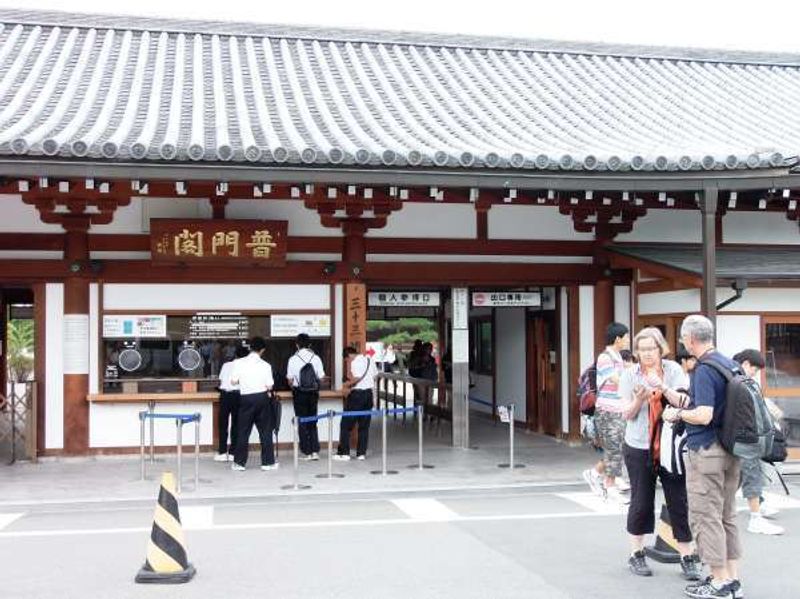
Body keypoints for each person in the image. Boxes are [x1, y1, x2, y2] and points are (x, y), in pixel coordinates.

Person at [663, 315, 742, 599]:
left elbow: (704, 414)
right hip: (732, 451)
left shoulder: (704, 369)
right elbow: (713, 405)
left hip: (707, 452)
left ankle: (719, 582)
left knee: (706, 516)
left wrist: (677, 414)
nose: (683, 342)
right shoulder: (729, 364)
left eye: (683, 338)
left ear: (690, 339)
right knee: (727, 516)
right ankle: (732, 579)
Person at [620, 327, 701, 580]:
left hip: (669, 445)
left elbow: (685, 402)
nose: (646, 354)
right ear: (636, 352)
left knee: (679, 500)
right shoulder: (630, 375)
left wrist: (663, 387)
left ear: (660, 349)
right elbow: (626, 414)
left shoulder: (674, 370)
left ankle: (687, 556)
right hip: (638, 445)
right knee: (641, 501)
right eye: (641, 350)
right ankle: (637, 553)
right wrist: (639, 400)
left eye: (651, 349)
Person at [732, 349, 784, 536]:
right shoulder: (738, 382)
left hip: (749, 439)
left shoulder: (740, 381)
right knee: (750, 475)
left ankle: (757, 506)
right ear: (745, 363)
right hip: (746, 439)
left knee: (741, 477)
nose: (754, 373)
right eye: (754, 368)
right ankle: (756, 516)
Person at [583, 322, 630, 502]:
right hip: (608, 410)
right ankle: (609, 485)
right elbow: (616, 380)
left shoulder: (617, 356)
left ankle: (594, 474)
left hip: (618, 409)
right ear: (618, 338)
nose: (627, 340)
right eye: (625, 337)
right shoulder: (605, 358)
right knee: (614, 449)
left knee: (616, 448)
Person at [230, 337, 278, 472]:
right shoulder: (266, 365)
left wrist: (243, 382)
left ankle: (239, 463)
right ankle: (267, 463)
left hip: (245, 398)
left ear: (250, 348)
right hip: (262, 398)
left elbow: (233, 382)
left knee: (243, 431)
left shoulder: (238, 363)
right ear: (262, 350)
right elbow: (270, 385)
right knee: (265, 431)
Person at [286, 333, 326, 462]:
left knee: (301, 421)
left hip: (299, 393)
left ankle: (306, 452)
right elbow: (322, 378)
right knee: (313, 421)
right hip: (313, 393)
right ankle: (315, 451)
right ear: (309, 345)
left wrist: (294, 386)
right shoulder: (316, 358)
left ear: (296, 345)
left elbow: (290, 380)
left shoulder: (292, 359)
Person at [335, 346, 378, 461]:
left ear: (349, 356)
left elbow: (356, 378)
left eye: (346, 360)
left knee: (345, 425)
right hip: (368, 394)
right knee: (364, 426)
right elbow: (375, 376)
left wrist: (345, 385)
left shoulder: (354, 362)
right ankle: (361, 453)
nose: (347, 363)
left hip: (357, 396)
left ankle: (344, 453)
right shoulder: (369, 360)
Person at [214, 345, 247, 462]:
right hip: (238, 396)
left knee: (223, 424)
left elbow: (221, 380)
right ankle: (233, 452)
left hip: (225, 395)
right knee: (236, 424)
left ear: (236, 355)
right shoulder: (245, 366)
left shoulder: (226, 365)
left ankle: (222, 452)